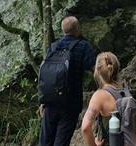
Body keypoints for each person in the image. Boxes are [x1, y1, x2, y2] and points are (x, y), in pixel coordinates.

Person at [40, 16, 97, 146]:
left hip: (50, 102)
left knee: (45, 141)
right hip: (70, 103)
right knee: (62, 141)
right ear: (77, 28)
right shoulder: (83, 46)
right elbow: (95, 71)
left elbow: (45, 74)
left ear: (63, 30)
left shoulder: (53, 47)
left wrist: (42, 101)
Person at [80, 52, 134, 146]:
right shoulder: (126, 92)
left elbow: (85, 127)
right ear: (117, 69)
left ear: (97, 72)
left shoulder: (99, 96)